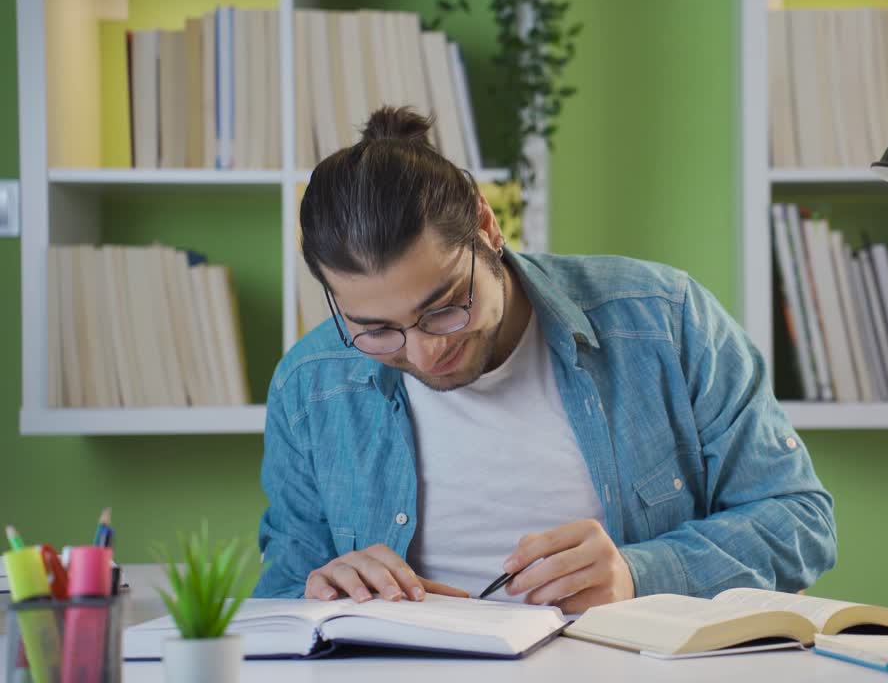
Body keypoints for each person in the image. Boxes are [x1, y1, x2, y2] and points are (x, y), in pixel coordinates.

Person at [253, 106, 836, 613]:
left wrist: (640, 575)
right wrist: (320, 591)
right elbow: (280, 596)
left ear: (487, 227)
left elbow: (800, 522)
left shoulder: (662, 319)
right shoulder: (311, 382)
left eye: (446, 307)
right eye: (377, 330)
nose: (427, 352)